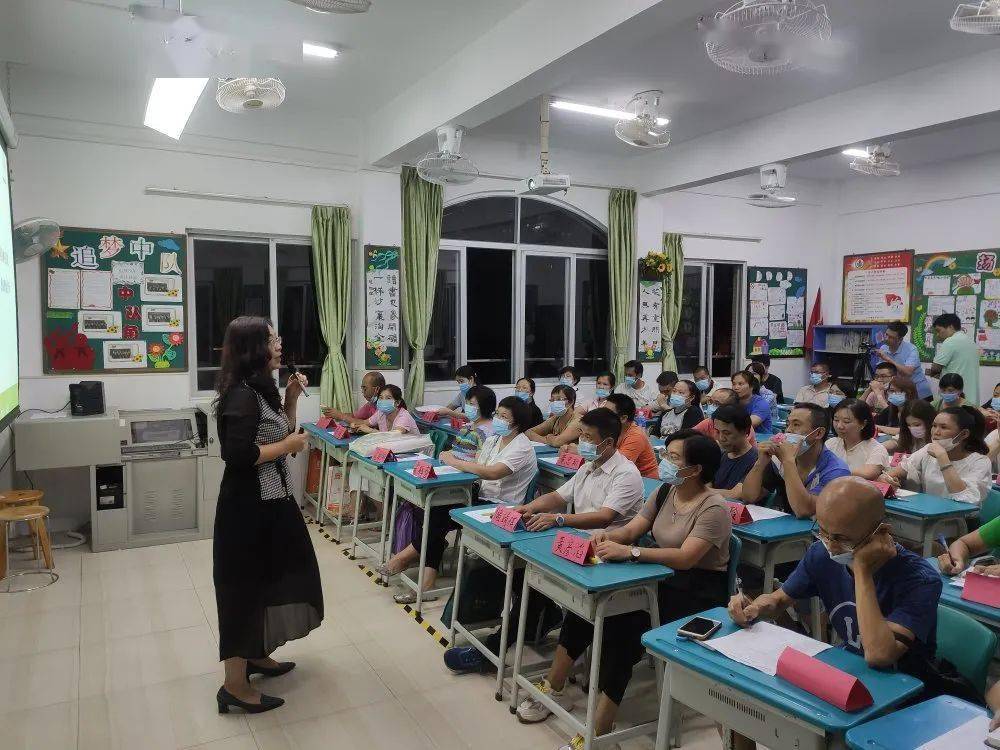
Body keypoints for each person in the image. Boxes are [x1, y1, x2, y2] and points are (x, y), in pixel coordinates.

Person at [516, 431, 731, 750]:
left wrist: (631, 553)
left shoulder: (714, 507)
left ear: (696, 468)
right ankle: (555, 685)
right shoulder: (665, 491)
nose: (665, 463)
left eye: (673, 458)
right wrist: (611, 538)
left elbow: (686, 558)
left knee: (623, 626)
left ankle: (600, 730)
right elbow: (634, 529)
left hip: (694, 591)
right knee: (587, 608)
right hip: (659, 575)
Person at [212, 316, 322, 714]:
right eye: (272, 339)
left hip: (273, 503)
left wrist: (291, 398)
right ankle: (234, 686)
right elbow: (238, 456)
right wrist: (289, 442)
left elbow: (284, 441)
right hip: (248, 510)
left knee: (273, 580)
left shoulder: (263, 390)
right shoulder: (241, 395)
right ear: (253, 349)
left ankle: (256, 654)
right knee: (242, 590)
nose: (280, 344)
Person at [730, 477, 942, 672]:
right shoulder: (821, 554)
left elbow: (880, 655)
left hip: (906, 687)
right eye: (823, 532)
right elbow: (779, 601)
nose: (831, 546)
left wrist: (862, 570)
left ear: (880, 531)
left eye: (842, 538)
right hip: (850, 669)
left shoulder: (920, 579)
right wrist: (754, 607)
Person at [382, 396, 539, 603]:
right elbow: (477, 464)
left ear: (517, 423)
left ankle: (405, 560)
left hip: (501, 507)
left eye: (504, 417)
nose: (498, 420)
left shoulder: (522, 446)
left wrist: (455, 462)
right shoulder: (494, 440)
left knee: (436, 516)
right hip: (480, 495)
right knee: (434, 510)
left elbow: (493, 473)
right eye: (498, 414)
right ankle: (423, 578)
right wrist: (454, 461)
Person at [519, 408, 644, 533]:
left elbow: (604, 518)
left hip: (609, 544)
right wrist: (528, 508)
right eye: (581, 434)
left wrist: (558, 519)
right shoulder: (587, 467)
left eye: (588, 437)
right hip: (579, 536)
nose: (582, 441)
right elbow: (557, 497)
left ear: (609, 443)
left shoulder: (626, 473)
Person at [740, 403, 851, 518]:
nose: (788, 430)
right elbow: (749, 497)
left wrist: (788, 461)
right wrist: (760, 464)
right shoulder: (777, 461)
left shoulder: (836, 471)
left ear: (818, 433)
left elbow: (803, 510)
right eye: (788, 424)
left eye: (796, 425)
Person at [882, 406, 991, 506]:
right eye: (934, 426)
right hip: (929, 512)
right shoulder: (928, 450)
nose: (936, 432)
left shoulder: (980, 462)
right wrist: (887, 480)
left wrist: (943, 457)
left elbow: (964, 498)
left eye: (944, 427)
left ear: (963, 434)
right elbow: (891, 474)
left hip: (962, 520)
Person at [826, 399, 890, 480]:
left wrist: (830, 471)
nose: (839, 426)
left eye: (846, 422)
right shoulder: (830, 443)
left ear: (863, 424)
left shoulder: (876, 449)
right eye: (836, 420)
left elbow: (868, 474)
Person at [927, 313, 980, 406]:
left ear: (950, 327)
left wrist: (932, 372)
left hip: (955, 396)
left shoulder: (950, 341)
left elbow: (935, 368)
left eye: (939, 331)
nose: (938, 335)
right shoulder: (971, 341)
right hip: (971, 397)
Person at [711, 405, 760, 500]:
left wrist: (700, 491)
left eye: (727, 433)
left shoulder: (757, 461)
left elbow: (735, 494)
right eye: (717, 432)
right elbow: (707, 483)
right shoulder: (718, 454)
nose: (721, 438)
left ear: (745, 431)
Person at [605, 393, 659, 479]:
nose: (602, 416)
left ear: (623, 418)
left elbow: (618, 465)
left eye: (608, 413)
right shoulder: (611, 428)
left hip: (645, 481)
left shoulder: (636, 436)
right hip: (624, 476)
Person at [876, 322, 932, 400]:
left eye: (891, 337)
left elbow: (908, 372)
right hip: (898, 391)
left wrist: (887, 359)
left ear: (900, 339)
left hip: (918, 391)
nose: (886, 339)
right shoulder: (883, 348)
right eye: (886, 335)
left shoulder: (912, 349)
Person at [692, 388, 757, 445]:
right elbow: (689, 434)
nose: (711, 406)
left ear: (730, 407)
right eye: (710, 401)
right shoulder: (710, 421)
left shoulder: (742, 425)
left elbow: (731, 448)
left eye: (717, 404)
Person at [321, 371, 385, 424]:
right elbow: (354, 416)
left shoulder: (384, 407)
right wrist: (334, 414)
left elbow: (365, 423)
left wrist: (341, 416)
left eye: (365, 388)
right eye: (362, 388)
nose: (362, 392)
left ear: (377, 389)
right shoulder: (370, 404)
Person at [351, 384, 419, 435]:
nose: (383, 401)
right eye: (381, 398)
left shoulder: (404, 416)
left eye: (388, 398)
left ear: (397, 402)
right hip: (393, 449)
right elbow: (364, 423)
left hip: (414, 452)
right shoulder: (381, 413)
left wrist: (371, 431)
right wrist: (355, 425)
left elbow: (394, 436)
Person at [451, 385, 497, 458]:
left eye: (471, 404)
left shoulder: (487, 432)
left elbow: (482, 461)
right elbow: (456, 449)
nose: (467, 407)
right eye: (466, 403)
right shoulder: (468, 426)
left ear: (485, 406)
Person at [874, 374, 918, 439]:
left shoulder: (915, 410)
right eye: (891, 391)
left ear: (909, 393)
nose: (893, 394)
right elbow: (875, 423)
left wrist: (879, 427)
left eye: (899, 391)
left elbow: (906, 431)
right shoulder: (890, 409)